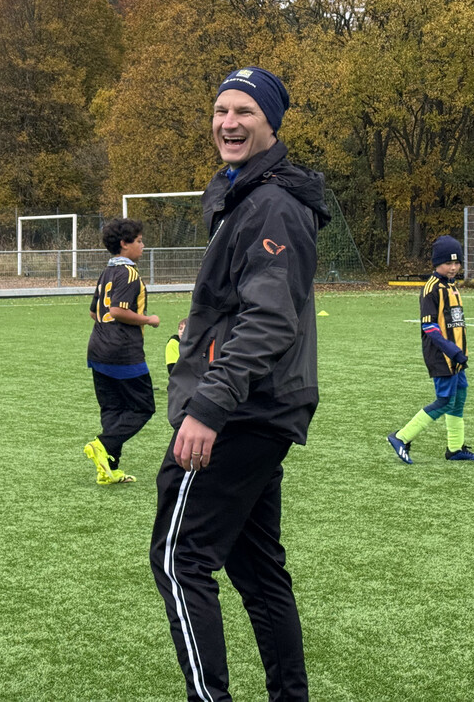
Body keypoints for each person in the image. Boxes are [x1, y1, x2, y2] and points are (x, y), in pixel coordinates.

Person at [150, 66, 328, 702]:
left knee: (180, 559)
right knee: (256, 569)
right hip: (261, 405)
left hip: (241, 411)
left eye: (244, 112)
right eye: (221, 110)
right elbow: (246, 303)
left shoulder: (271, 203)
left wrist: (208, 405)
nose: (229, 122)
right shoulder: (248, 193)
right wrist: (202, 330)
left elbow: (271, 318)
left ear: (271, 123)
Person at [387, 235, 474, 464]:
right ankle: (401, 437)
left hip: (456, 356)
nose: (453, 267)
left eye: (457, 262)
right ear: (436, 263)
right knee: (444, 401)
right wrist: (451, 350)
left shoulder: (451, 285)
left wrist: (459, 351)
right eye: (448, 263)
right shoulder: (431, 289)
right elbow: (429, 327)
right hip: (442, 355)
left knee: (459, 397)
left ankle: (455, 449)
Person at [84, 217, 160, 485]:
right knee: (143, 407)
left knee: (113, 409)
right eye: (139, 241)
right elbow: (117, 311)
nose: (143, 245)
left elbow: (94, 312)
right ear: (124, 244)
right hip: (123, 352)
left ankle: (108, 469)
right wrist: (149, 320)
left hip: (98, 350)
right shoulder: (128, 273)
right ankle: (102, 445)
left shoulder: (107, 272)